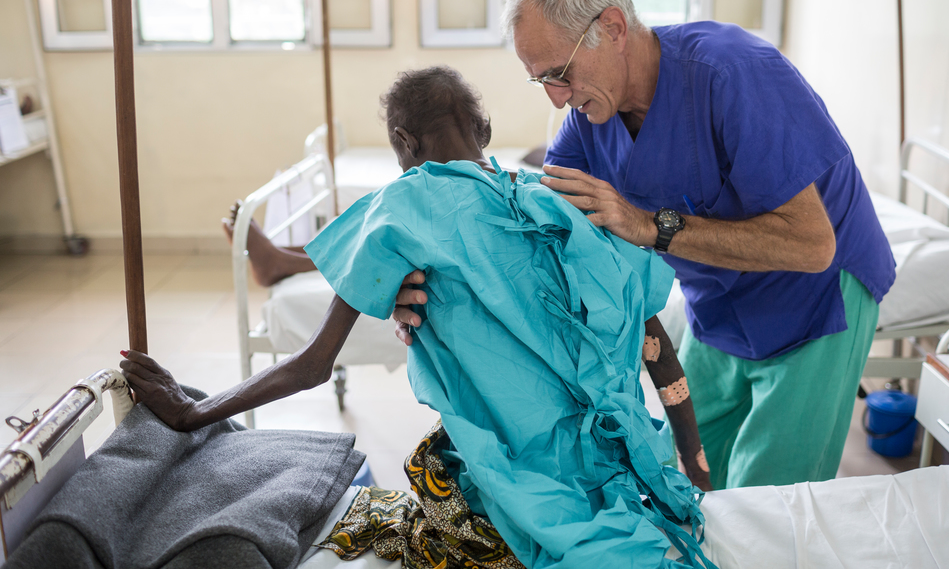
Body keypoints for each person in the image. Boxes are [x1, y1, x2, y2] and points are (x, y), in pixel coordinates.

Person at [123, 66, 716, 568]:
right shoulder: (558, 197)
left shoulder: (401, 205)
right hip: (626, 470)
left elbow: (310, 367)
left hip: (521, 486)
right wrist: (691, 462)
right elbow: (656, 345)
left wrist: (193, 410)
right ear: (484, 130)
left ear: (404, 144)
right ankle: (283, 260)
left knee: (431, 484)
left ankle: (284, 261)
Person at [413, 0, 892, 491]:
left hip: (815, 297)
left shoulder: (732, 73)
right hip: (719, 299)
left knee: (773, 501)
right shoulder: (590, 120)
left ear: (613, 28)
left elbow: (812, 245)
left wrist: (651, 225)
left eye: (560, 72)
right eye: (541, 79)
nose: (556, 96)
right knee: (682, 480)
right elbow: (531, 223)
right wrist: (432, 282)